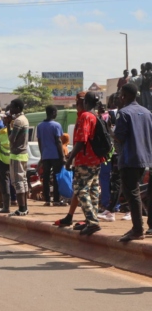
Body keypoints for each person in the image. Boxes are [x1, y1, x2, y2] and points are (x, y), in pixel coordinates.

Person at [114, 84, 152, 241]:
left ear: (125, 95)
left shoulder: (123, 113)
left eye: (122, 95)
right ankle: (140, 227)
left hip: (129, 158)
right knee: (137, 192)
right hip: (145, 159)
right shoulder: (147, 112)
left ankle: (137, 229)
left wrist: (112, 133)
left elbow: (120, 137)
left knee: (132, 194)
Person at [64, 92, 105, 236]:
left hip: (85, 160)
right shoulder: (95, 116)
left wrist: (70, 159)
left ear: (85, 102)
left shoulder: (85, 116)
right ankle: (91, 221)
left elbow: (82, 140)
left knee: (81, 190)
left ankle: (92, 222)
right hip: (96, 160)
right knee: (93, 191)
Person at [36, 106, 66, 207]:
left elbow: (40, 142)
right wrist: (62, 156)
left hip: (45, 155)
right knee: (56, 177)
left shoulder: (39, 126)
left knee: (46, 177)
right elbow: (58, 141)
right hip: (55, 155)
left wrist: (42, 154)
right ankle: (56, 199)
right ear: (53, 112)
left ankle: (47, 200)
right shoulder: (56, 125)